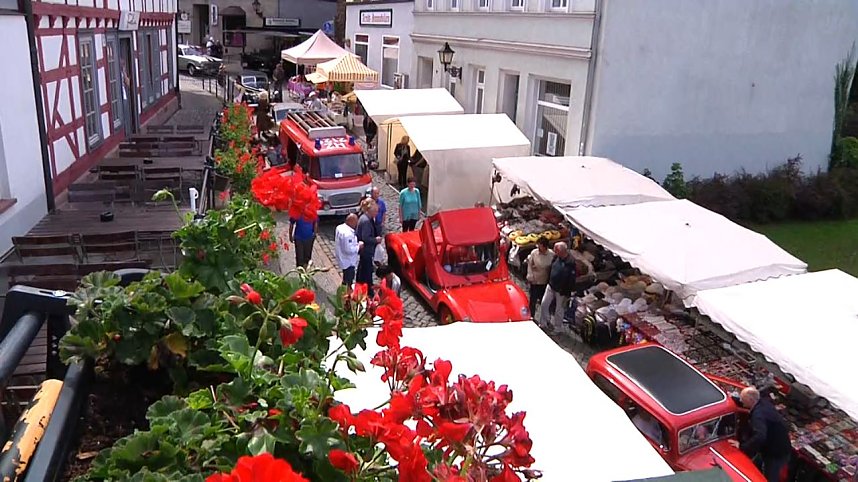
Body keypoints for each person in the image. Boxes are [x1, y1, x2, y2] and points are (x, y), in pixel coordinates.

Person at [738, 387, 791, 482]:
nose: (741, 400)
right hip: (777, 446)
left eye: (743, 399)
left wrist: (743, 446)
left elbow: (760, 436)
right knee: (756, 464)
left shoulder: (758, 416)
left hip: (776, 453)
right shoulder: (764, 403)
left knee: (770, 476)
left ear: (750, 400)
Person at [539, 241, 576, 331]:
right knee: (544, 304)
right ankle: (544, 322)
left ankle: (557, 328)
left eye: (556, 250)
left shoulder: (570, 262)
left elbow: (571, 279)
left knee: (559, 310)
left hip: (561, 290)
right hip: (551, 285)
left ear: (562, 251)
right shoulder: (556, 257)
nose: (554, 251)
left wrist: (568, 292)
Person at [356, 201, 382, 295]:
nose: (376, 213)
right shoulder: (366, 221)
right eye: (375, 211)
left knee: (362, 268)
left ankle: (359, 283)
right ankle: (369, 290)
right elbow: (365, 237)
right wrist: (376, 240)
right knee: (367, 270)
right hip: (366, 250)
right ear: (370, 211)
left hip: (364, 251)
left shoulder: (365, 217)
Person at [525, 237, 554, 318]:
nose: (537, 247)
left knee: (544, 302)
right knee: (533, 300)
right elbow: (529, 265)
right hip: (535, 281)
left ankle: (545, 318)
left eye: (540, 245)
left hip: (545, 281)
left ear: (545, 246)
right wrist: (530, 276)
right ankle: (531, 316)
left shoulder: (551, 254)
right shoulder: (534, 253)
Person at [335, 214, 362, 287]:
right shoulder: (348, 234)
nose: (356, 224)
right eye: (356, 222)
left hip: (342, 257)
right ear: (351, 222)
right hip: (348, 261)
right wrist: (359, 246)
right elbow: (349, 250)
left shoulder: (340, 227)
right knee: (348, 280)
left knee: (346, 278)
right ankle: (346, 294)